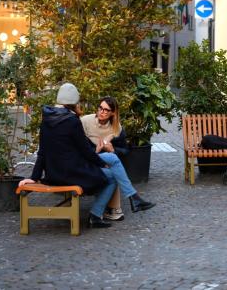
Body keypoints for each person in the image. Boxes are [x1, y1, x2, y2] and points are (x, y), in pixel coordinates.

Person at [18, 83, 154, 228]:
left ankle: (134, 198)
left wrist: (34, 177)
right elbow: (86, 152)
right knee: (112, 176)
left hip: (56, 171)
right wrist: (101, 163)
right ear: (74, 102)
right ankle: (98, 214)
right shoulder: (72, 121)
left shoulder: (47, 120)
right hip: (72, 172)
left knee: (113, 159)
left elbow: (42, 152)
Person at [81, 96, 155, 221]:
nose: (102, 112)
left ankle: (99, 214)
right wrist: (96, 151)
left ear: (112, 113)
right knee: (112, 159)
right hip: (87, 159)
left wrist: (113, 149)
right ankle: (133, 198)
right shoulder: (85, 121)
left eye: (106, 110)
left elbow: (125, 150)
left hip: (103, 162)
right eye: (100, 108)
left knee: (112, 167)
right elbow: (78, 145)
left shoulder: (116, 128)